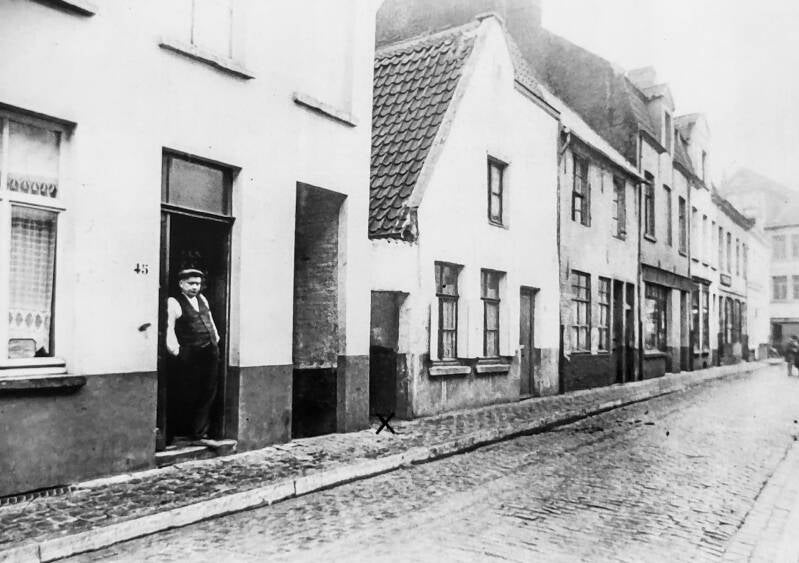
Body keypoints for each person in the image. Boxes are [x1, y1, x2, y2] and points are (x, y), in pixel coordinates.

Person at [166, 268, 221, 447]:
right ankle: (180, 434)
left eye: (198, 284)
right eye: (191, 283)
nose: (195, 287)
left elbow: (210, 319)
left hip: (210, 352)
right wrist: (176, 351)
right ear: (181, 284)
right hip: (191, 355)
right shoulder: (174, 302)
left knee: (208, 392)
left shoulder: (202, 299)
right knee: (188, 392)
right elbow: (169, 328)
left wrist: (215, 338)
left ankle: (199, 434)